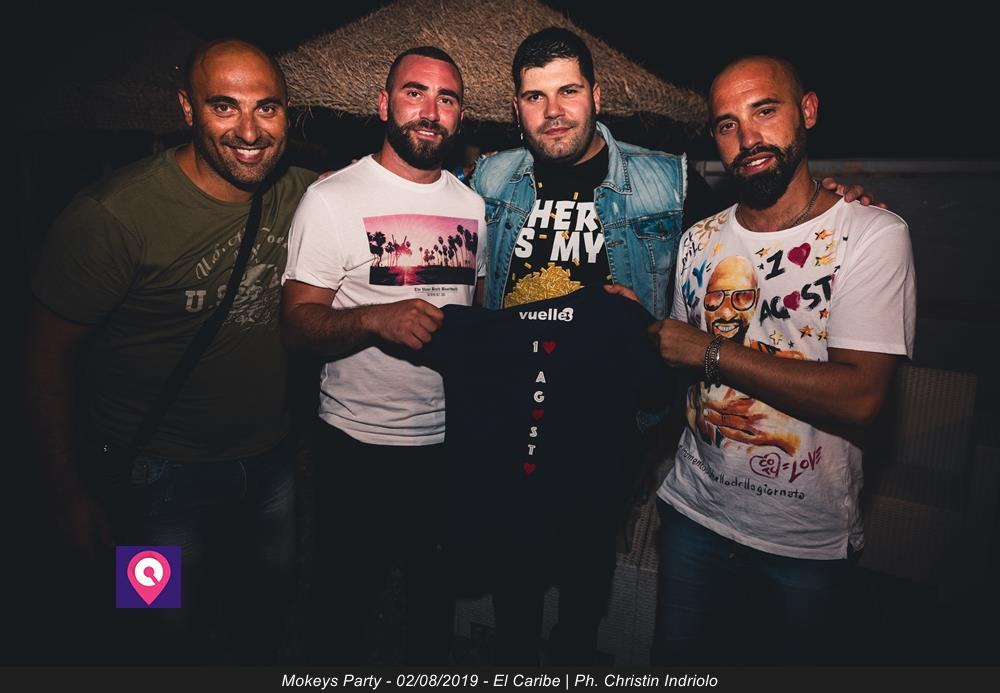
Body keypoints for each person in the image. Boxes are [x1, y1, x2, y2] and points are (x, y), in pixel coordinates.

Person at [24, 40, 315, 664]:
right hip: (153, 482)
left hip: (270, 464)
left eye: (266, 107)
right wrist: (64, 492)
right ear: (187, 108)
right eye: (224, 106)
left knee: (261, 614)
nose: (249, 131)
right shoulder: (114, 217)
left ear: (287, 112)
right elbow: (43, 359)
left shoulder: (305, 194)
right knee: (156, 637)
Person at [650, 55, 916, 665]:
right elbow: (678, 359)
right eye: (726, 124)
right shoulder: (698, 239)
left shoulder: (871, 235)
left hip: (804, 543)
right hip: (693, 514)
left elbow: (862, 396)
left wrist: (711, 351)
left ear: (808, 111)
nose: (747, 139)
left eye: (764, 111)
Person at [280, 46, 486, 666]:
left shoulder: (474, 206)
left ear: (459, 116)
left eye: (446, 99)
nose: (430, 110)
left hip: (446, 447)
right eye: (414, 92)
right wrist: (375, 318)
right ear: (383, 104)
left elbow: (476, 316)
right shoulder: (331, 199)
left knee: (432, 609)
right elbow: (296, 326)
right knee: (340, 603)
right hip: (355, 446)